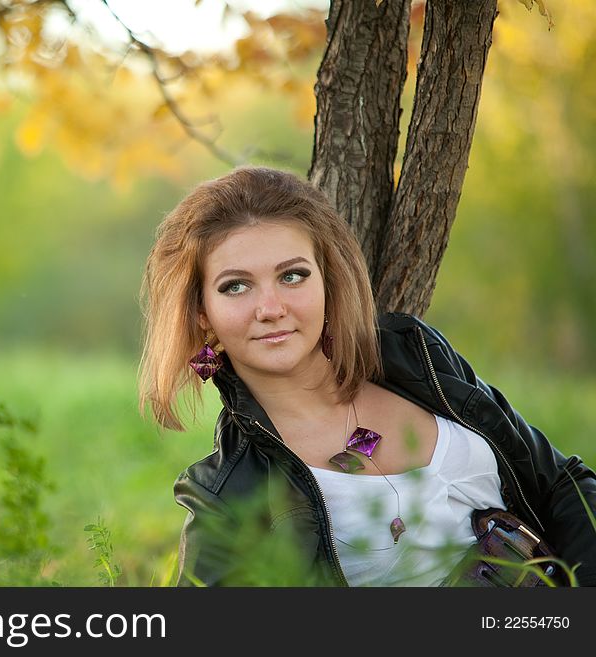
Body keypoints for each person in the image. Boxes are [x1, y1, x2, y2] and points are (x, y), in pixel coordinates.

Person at [138, 166, 596, 587]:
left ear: (327, 280)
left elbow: (561, 484)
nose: (271, 309)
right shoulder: (228, 491)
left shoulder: (414, 356)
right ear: (202, 312)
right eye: (236, 286)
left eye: (293, 276)